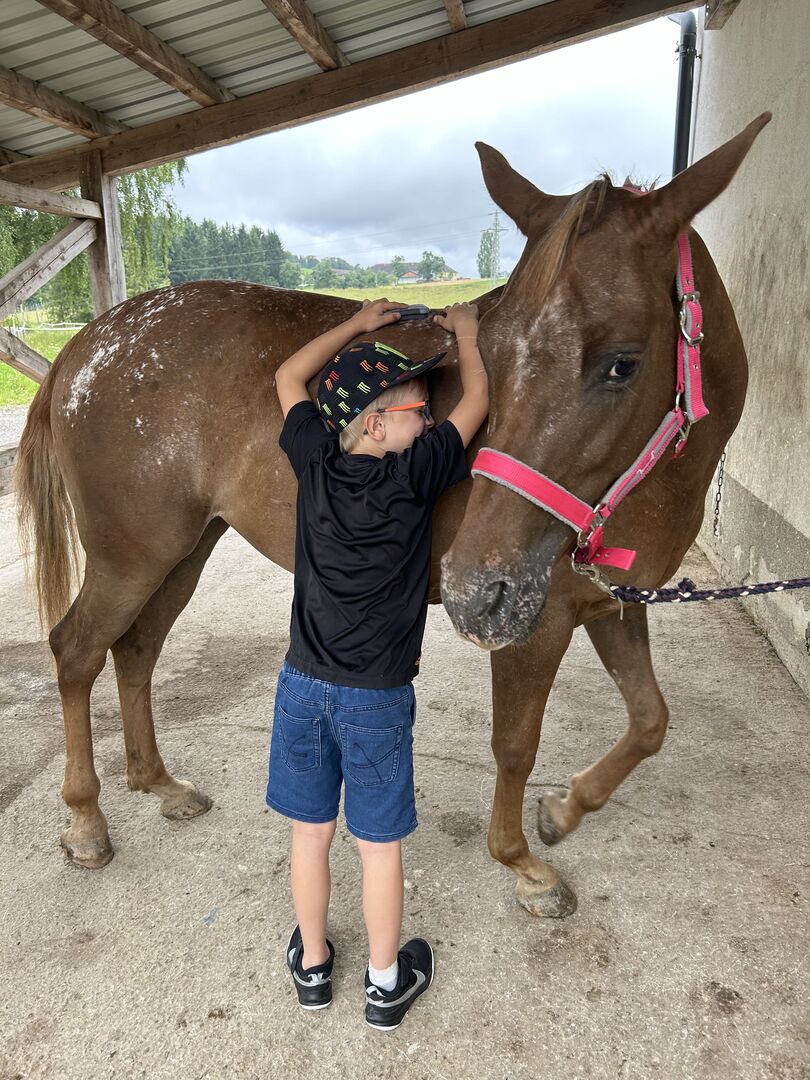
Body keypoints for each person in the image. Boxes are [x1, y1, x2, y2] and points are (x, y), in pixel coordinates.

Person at [268, 296, 488, 1030]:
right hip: (376, 699)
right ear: (375, 425)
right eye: (418, 411)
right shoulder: (416, 475)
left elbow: (288, 378)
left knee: (311, 834)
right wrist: (467, 333)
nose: (428, 421)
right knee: (379, 845)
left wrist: (358, 325)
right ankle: (386, 984)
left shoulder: (314, 462)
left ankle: (313, 967)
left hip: (302, 687)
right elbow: (478, 401)